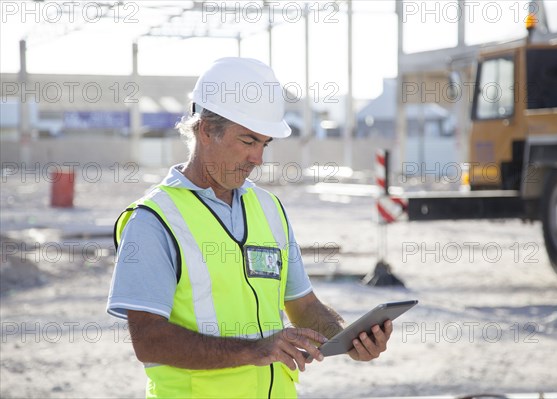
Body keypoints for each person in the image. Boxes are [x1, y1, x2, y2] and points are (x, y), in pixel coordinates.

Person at [106, 57, 393, 398]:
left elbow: (303, 307)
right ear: (205, 131)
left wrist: (348, 338)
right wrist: (255, 350)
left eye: (264, 144)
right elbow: (148, 340)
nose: (259, 158)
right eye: (248, 141)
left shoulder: (269, 210)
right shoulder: (154, 220)